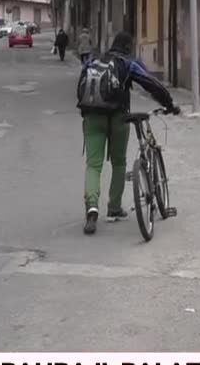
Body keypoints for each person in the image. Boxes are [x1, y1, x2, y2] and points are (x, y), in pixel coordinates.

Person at [75, 31, 180, 236]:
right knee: (119, 162)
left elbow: (82, 88)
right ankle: (114, 208)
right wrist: (169, 104)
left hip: (92, 117)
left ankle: (92, 209)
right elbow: (151, 83)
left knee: (93, 165)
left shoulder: (94, 61)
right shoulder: (127, 63)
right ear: (128, 47)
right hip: (119, 117)